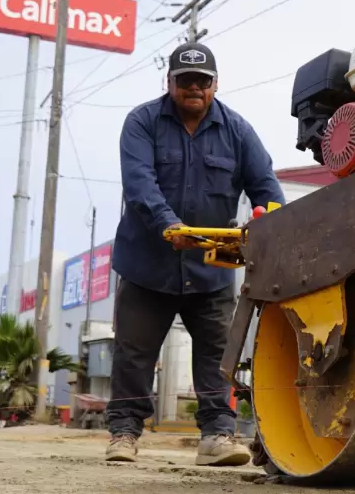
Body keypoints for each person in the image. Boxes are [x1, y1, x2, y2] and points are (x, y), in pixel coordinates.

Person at [106, 41, 286, 465]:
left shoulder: (238, 131)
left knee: (215, 356)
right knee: (134, 355)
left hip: (210, 270)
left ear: (215, 84)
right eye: (185, 81)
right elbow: (139, 184)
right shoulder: (142, 123)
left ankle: (218, 436)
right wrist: (169, 225)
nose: (194, 89)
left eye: (202, 82)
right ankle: (124, 434)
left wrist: (270, 224)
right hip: (147, 266)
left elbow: (266, 186)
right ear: (169, 82)